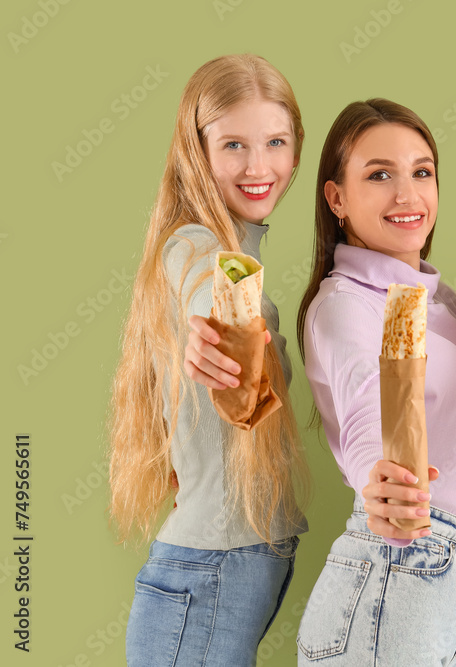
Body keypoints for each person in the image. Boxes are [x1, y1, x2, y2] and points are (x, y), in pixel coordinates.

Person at [108, 54, 309, 666]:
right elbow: (213, 299)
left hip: (220, 563)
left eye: (275, 141)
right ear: (197, 152)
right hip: (211, 566)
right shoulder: (196, 245)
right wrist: (209, 334)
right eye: (234, 146)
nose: (259, 166)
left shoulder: (229, 246)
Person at [294, 99, 456, 666]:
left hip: (441, 579)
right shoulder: (344, 306)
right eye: (379, 175)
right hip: (399, 563)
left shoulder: (438, 300)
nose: (407, 195)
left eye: (422, 172)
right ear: (336, 197)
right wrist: (376, 479)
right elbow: (368, 406)